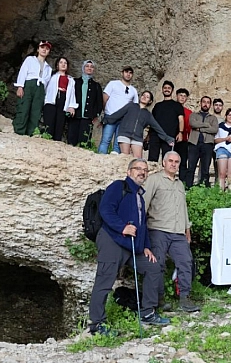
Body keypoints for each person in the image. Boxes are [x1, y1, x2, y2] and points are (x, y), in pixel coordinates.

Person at [88, 158, 169, 336]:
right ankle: (96, 324)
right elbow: (106, 209)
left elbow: (141, 225)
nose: (142, 172)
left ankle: (147, 312)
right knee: (104, 280)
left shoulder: (139, 195)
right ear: (129, 171)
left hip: (132, 245)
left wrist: (146, 246)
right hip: (112, 240)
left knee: (153, 267)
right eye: (138, 169)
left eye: (145, 170)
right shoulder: (118, 186)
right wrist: (122, 227)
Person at [143, 151, 200, 312]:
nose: (174, 164)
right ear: (164, 163)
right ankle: (158, 299)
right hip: (158, 229)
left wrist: (187, 229)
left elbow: (183, 208)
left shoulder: (180, 184)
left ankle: (184, 298)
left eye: (176, 162)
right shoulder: (154, 180)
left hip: (178, 232)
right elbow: (143, 204)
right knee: (157, 264)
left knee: (186, 262)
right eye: (171, 161)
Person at [103, 90, 174, 157]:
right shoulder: (131, 106)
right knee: (125, 156)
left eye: (147, 97)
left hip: (137, 138)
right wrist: (105, 120)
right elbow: (118, 114)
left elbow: (157, 127)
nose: (144, 97)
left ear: (150, 101)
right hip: (124, 134)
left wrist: (167, 139)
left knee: (138, 159)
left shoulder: (148, 115)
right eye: (143, 95)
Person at [13, 40, 52, 136]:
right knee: (24, 106)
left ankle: (31, 132)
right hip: (29, 85)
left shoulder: (48, 68)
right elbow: (23, 72)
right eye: (42, 47)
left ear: (49, 52)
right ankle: (19, 130)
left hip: (40, 89)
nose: (44, 50)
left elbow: (46, 83)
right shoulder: (30, 59)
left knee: (36, 110)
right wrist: (20, 86)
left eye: (47, 49)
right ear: (38, 49)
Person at [99, 66, 139, 154]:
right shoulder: (113, 84)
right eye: (126, 72)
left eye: (130, 73)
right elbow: (105, 98)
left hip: (124, 120)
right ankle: (100, 161)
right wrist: (106, 111)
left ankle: (115, 164)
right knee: (105, 140)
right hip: (110, 116)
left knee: (118, 143)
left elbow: (135, 107)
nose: (128, 74)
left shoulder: (133, 90)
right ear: (122, 73)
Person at [67, 60, 103, 146]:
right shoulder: (75, 82)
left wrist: (96, 114)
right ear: (83, 68)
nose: (89, 68)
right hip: (75, 115)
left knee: (84, 140)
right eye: (87, 66)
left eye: (91, 66)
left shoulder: (96, 85)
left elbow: (99, 102)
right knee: (72, 139)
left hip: (87, 117)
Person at [147, 81, 184, 162]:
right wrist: (148, 135)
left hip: (169, 135)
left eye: (169, 88)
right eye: (165, 88)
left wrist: (180, 132)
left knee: (168, 159)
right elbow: (152, 121)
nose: (167, 90)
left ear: (172, 90)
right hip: (155, 135)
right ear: (162, 90)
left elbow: (181, 120)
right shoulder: (157, 105)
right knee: (152, 159)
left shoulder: (177, 105)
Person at [187, 96, 219, 188]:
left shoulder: (213, 118)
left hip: (207, 145)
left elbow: (214, 129)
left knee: (205, 169)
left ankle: (203, 187)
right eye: (204, 102)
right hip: (194, 143)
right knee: (191, 167)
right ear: (200, 103)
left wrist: (199, 129)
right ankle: (188, 187)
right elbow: (192, 123)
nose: (205, 104)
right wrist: (206, 125)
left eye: (208, 102)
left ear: (210, 105)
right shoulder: (194, 115)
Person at [43, 56, 75, 141]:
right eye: (61, 62)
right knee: (49, 122)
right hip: (51, 100)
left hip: (64, 100)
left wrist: (71, 106)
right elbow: (45, 87)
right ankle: (47, 139)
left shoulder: (71, 80)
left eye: (65, 63)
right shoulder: (51, 76)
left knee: (60, 122)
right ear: (57, 65)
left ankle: (56, 142)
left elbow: (72, 94)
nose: (63, 64)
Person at [175, 89, 192, 183]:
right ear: (176, 96)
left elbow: (190, 128)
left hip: (184, 140)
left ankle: (182, 183)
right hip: (171, 139)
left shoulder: (188, 112)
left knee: (183, 162)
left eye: (184, 96)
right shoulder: (171, 108)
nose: (182, 97)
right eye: (180, 95)